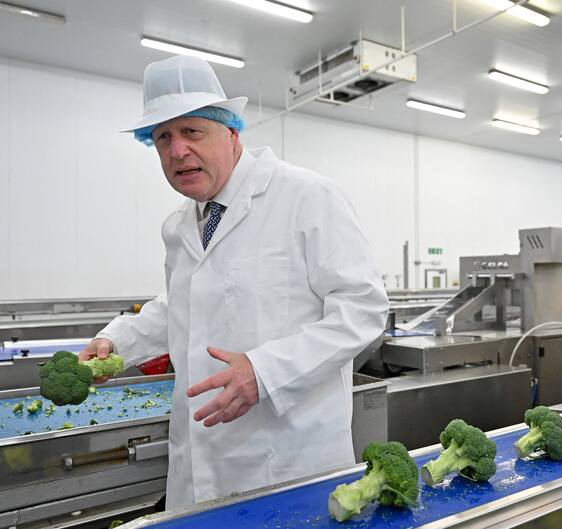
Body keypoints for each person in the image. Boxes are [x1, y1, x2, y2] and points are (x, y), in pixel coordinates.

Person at [79, 55, 389, 509]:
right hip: (197, 460)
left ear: (231, 132)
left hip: (285, 456)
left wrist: (265, 373)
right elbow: (181, 305)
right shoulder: (179, 225)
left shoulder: (305, 196)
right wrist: (116, 343)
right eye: (163, 137)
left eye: (192, 131)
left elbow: (362, 310)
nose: (177, 151)